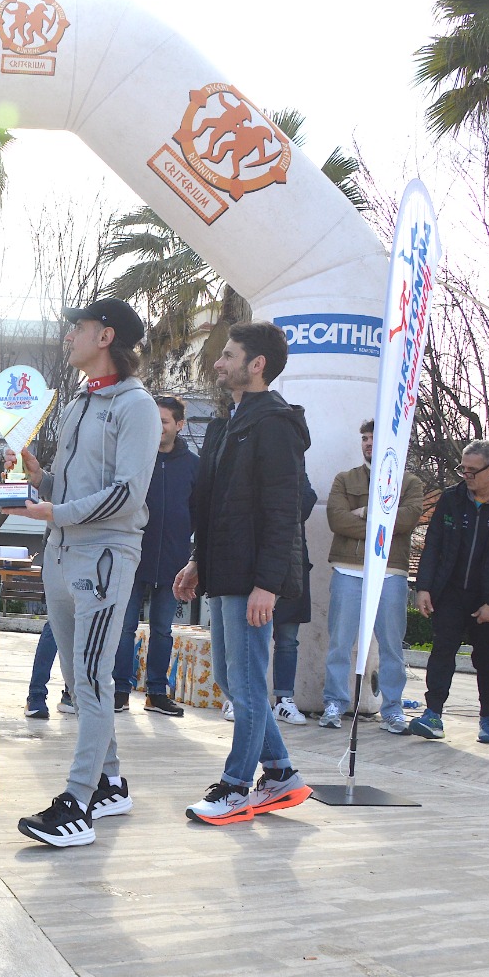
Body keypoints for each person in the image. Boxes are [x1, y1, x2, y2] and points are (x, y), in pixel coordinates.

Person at [8, 297, 161, 848]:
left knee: (93, 679)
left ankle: (76, 804)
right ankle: (110, 784)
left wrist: (58, 511)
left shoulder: (137, 406)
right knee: (78, 680)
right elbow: (74, 489)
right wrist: (41, 480)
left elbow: (127, 494)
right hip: (60, 552)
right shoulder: (79, 402)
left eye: (79, 326)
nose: (69, 335)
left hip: (103, 556)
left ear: (106, 336)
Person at [173, 321, 312, 825]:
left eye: (228, 355)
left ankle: (235, 787)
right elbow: (214, 506)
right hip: (223, 571)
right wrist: (198, 560)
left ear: (257, 365)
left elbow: (284, 511)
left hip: (252, 578)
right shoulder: (227, 424)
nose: (218, 362)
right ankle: (280, 774)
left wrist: (267, 585)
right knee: (233, 682)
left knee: (249, 686)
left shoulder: (275, 425)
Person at [410, 441, 489, 743]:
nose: (466, 476)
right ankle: (433, 714)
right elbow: (433, 545)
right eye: (462, 469)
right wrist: (424, 587)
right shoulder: (452, 498)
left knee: (487, 660)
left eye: (472, 471)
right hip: (450, 592)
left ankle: (488, 719)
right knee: (442, 652)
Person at [319, 420, 425, 733]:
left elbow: (406, 520)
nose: (368, 443)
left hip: (391, 573)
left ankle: (392, 710)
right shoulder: (345, 479)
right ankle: (334, 703)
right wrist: (383, 523)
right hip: (348, 570)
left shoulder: (410, 483)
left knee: (391, 646)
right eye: (365, 438)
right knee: (340, 643)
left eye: (373, 438)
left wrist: (364, 512)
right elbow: (337, 520)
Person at [110, 394, 198, 716]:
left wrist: (191, 553)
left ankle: (157, 694)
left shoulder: (194, 466)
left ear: (179, 425)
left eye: (164, 421)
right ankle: (119, 690)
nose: (157, 427)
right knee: (124, 628)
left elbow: (199, 512)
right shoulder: (133, 458)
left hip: (174, 561)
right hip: (132, 556)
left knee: (162, 630)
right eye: (153, 420)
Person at [270, 474, 319, 725]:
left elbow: (308, 500)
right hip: (255, 562)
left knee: (288, 639)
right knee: (249, 639)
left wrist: (277, 504)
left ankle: (283, 699)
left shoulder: (295, 464)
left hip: (292, 563)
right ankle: (241, 698)